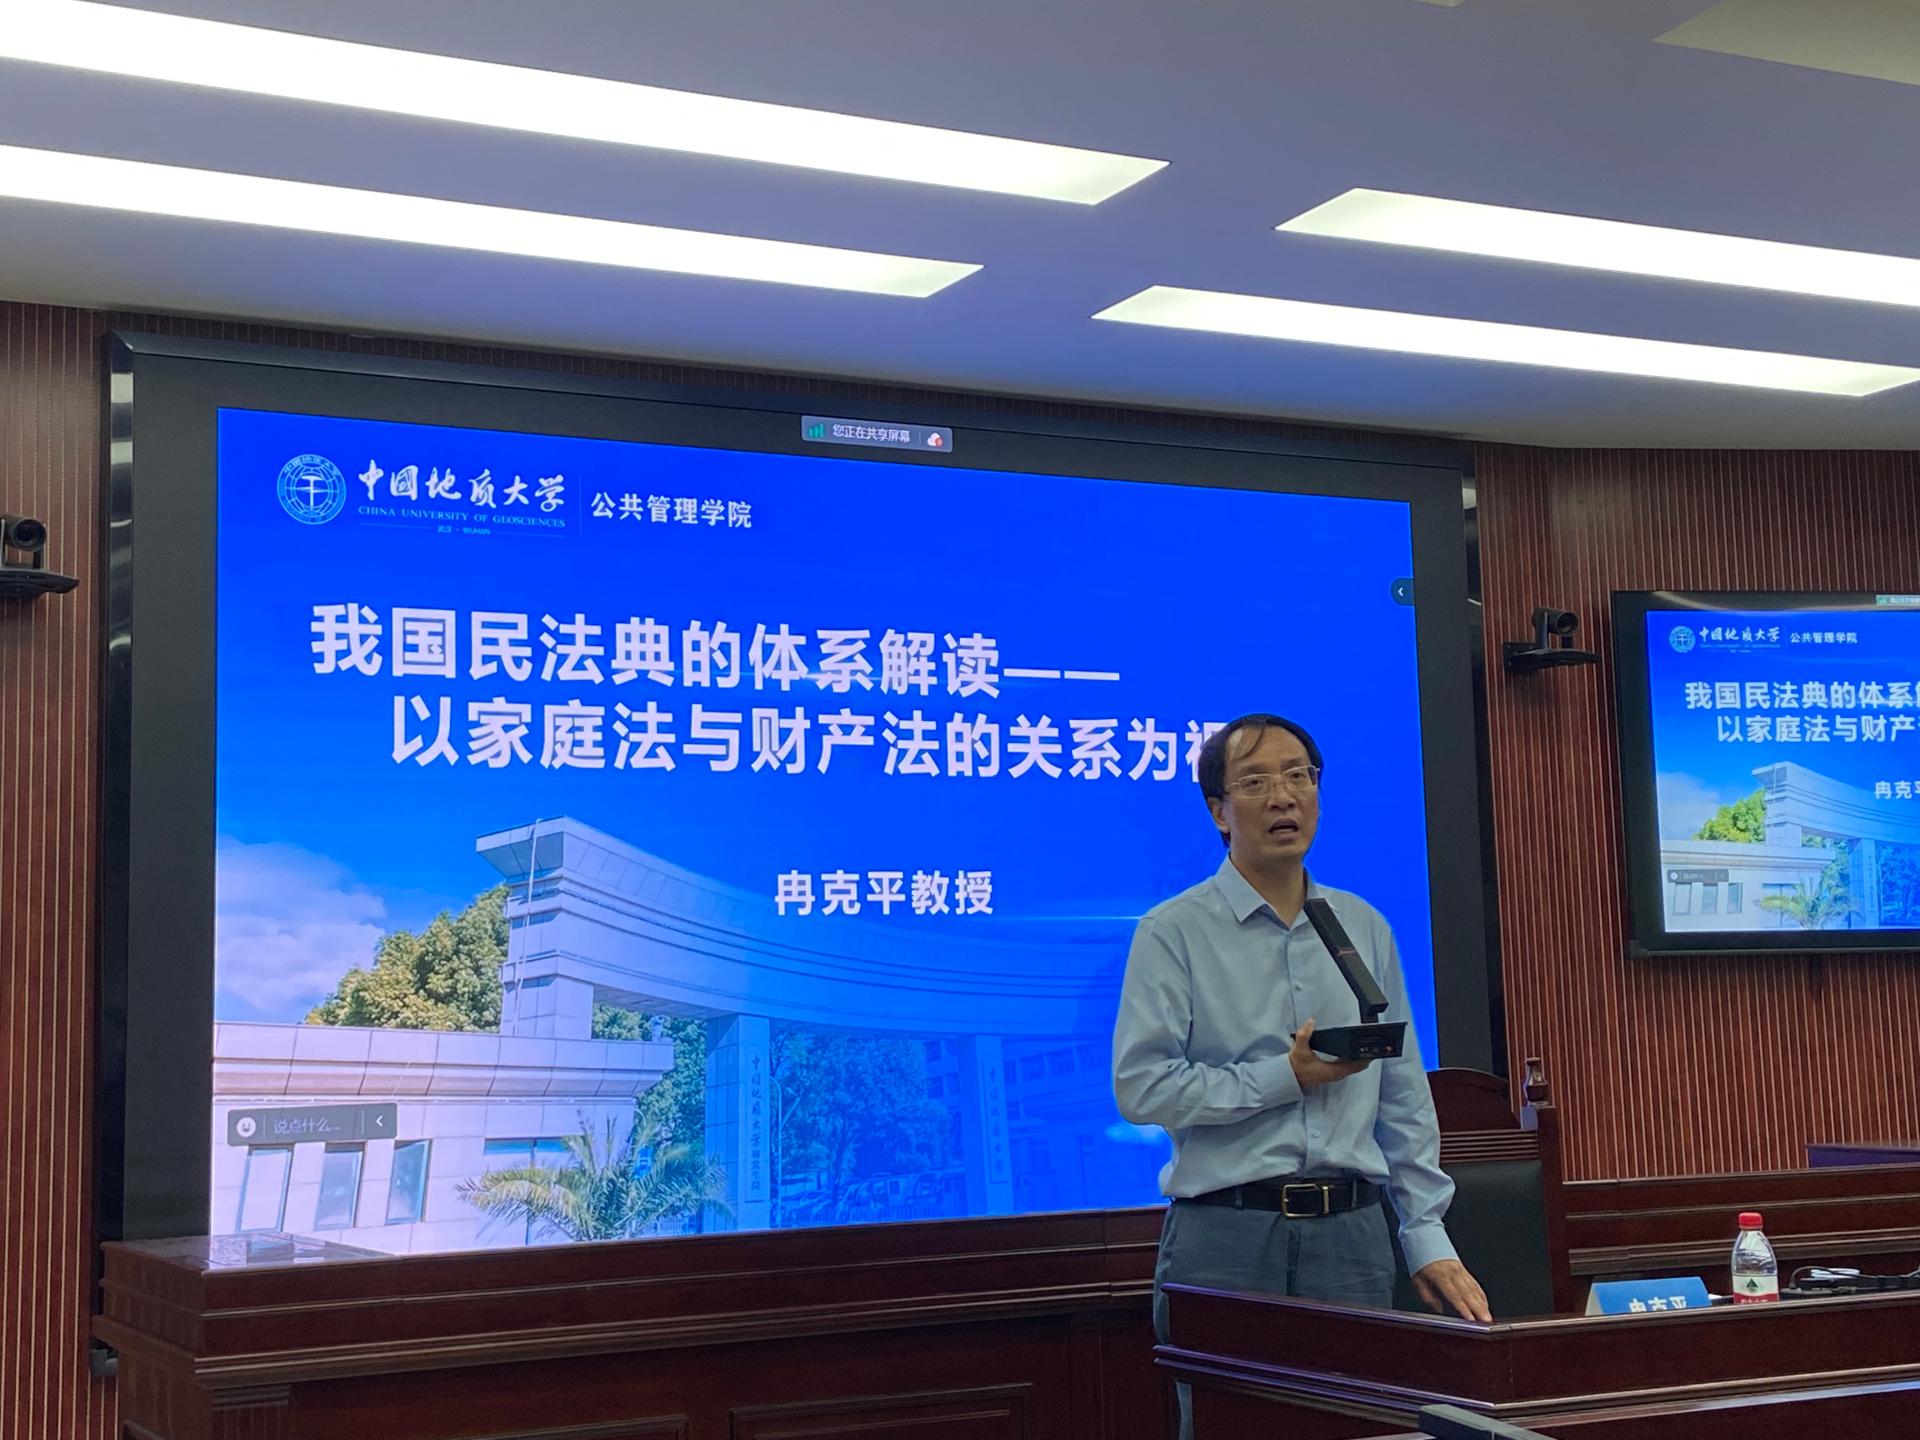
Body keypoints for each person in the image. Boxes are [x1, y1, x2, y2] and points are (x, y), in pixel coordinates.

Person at [1113, 712, 1488, 1435]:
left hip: (1352, 1236)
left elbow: (1404, 1099)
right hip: (1225, 1236)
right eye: (1255, 782)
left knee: (1355, 1430)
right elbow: (1143, 1087)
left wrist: (1425, 1237)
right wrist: (1284, 1077)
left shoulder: (1363, 927)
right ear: (1219, 811)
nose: (1283, 796)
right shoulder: (1173, 932)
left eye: (1299, 776)